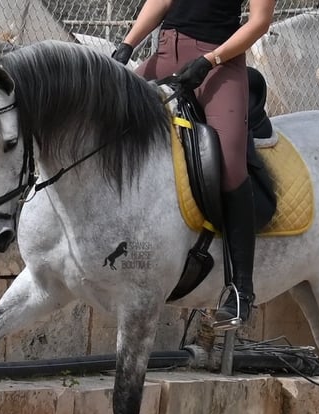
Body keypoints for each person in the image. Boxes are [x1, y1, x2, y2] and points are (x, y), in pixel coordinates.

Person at [111, 0, 275, 329]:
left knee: (229, 162)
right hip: (164, 52)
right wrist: (127, 45)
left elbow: (259, 23)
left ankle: (241, 289)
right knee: (107, 118)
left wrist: (210, 60)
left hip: (218, 64)